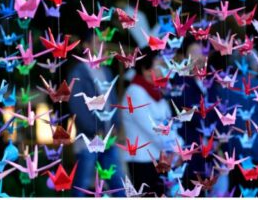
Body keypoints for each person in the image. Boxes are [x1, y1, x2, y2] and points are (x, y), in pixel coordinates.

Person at [118, 49, 178, 197]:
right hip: (141, 161)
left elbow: (170, 124)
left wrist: (179, 148)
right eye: (160, 65)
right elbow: (151, 129)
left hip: (160, 159)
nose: (164, 70)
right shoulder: (134, 92)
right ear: (145, 69)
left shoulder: (157, 92)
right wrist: (174, 151)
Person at [68, 32, 119, 196]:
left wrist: (114, 125)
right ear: (86, 46)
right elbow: (77, 106)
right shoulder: (78, 73)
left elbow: (112, 100)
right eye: (97, 43)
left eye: (103, 43)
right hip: (89, 140)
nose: (101, 47)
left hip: (108, 139)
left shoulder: (106, 70)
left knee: (117, 181)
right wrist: (94, 129)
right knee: (82, 184)